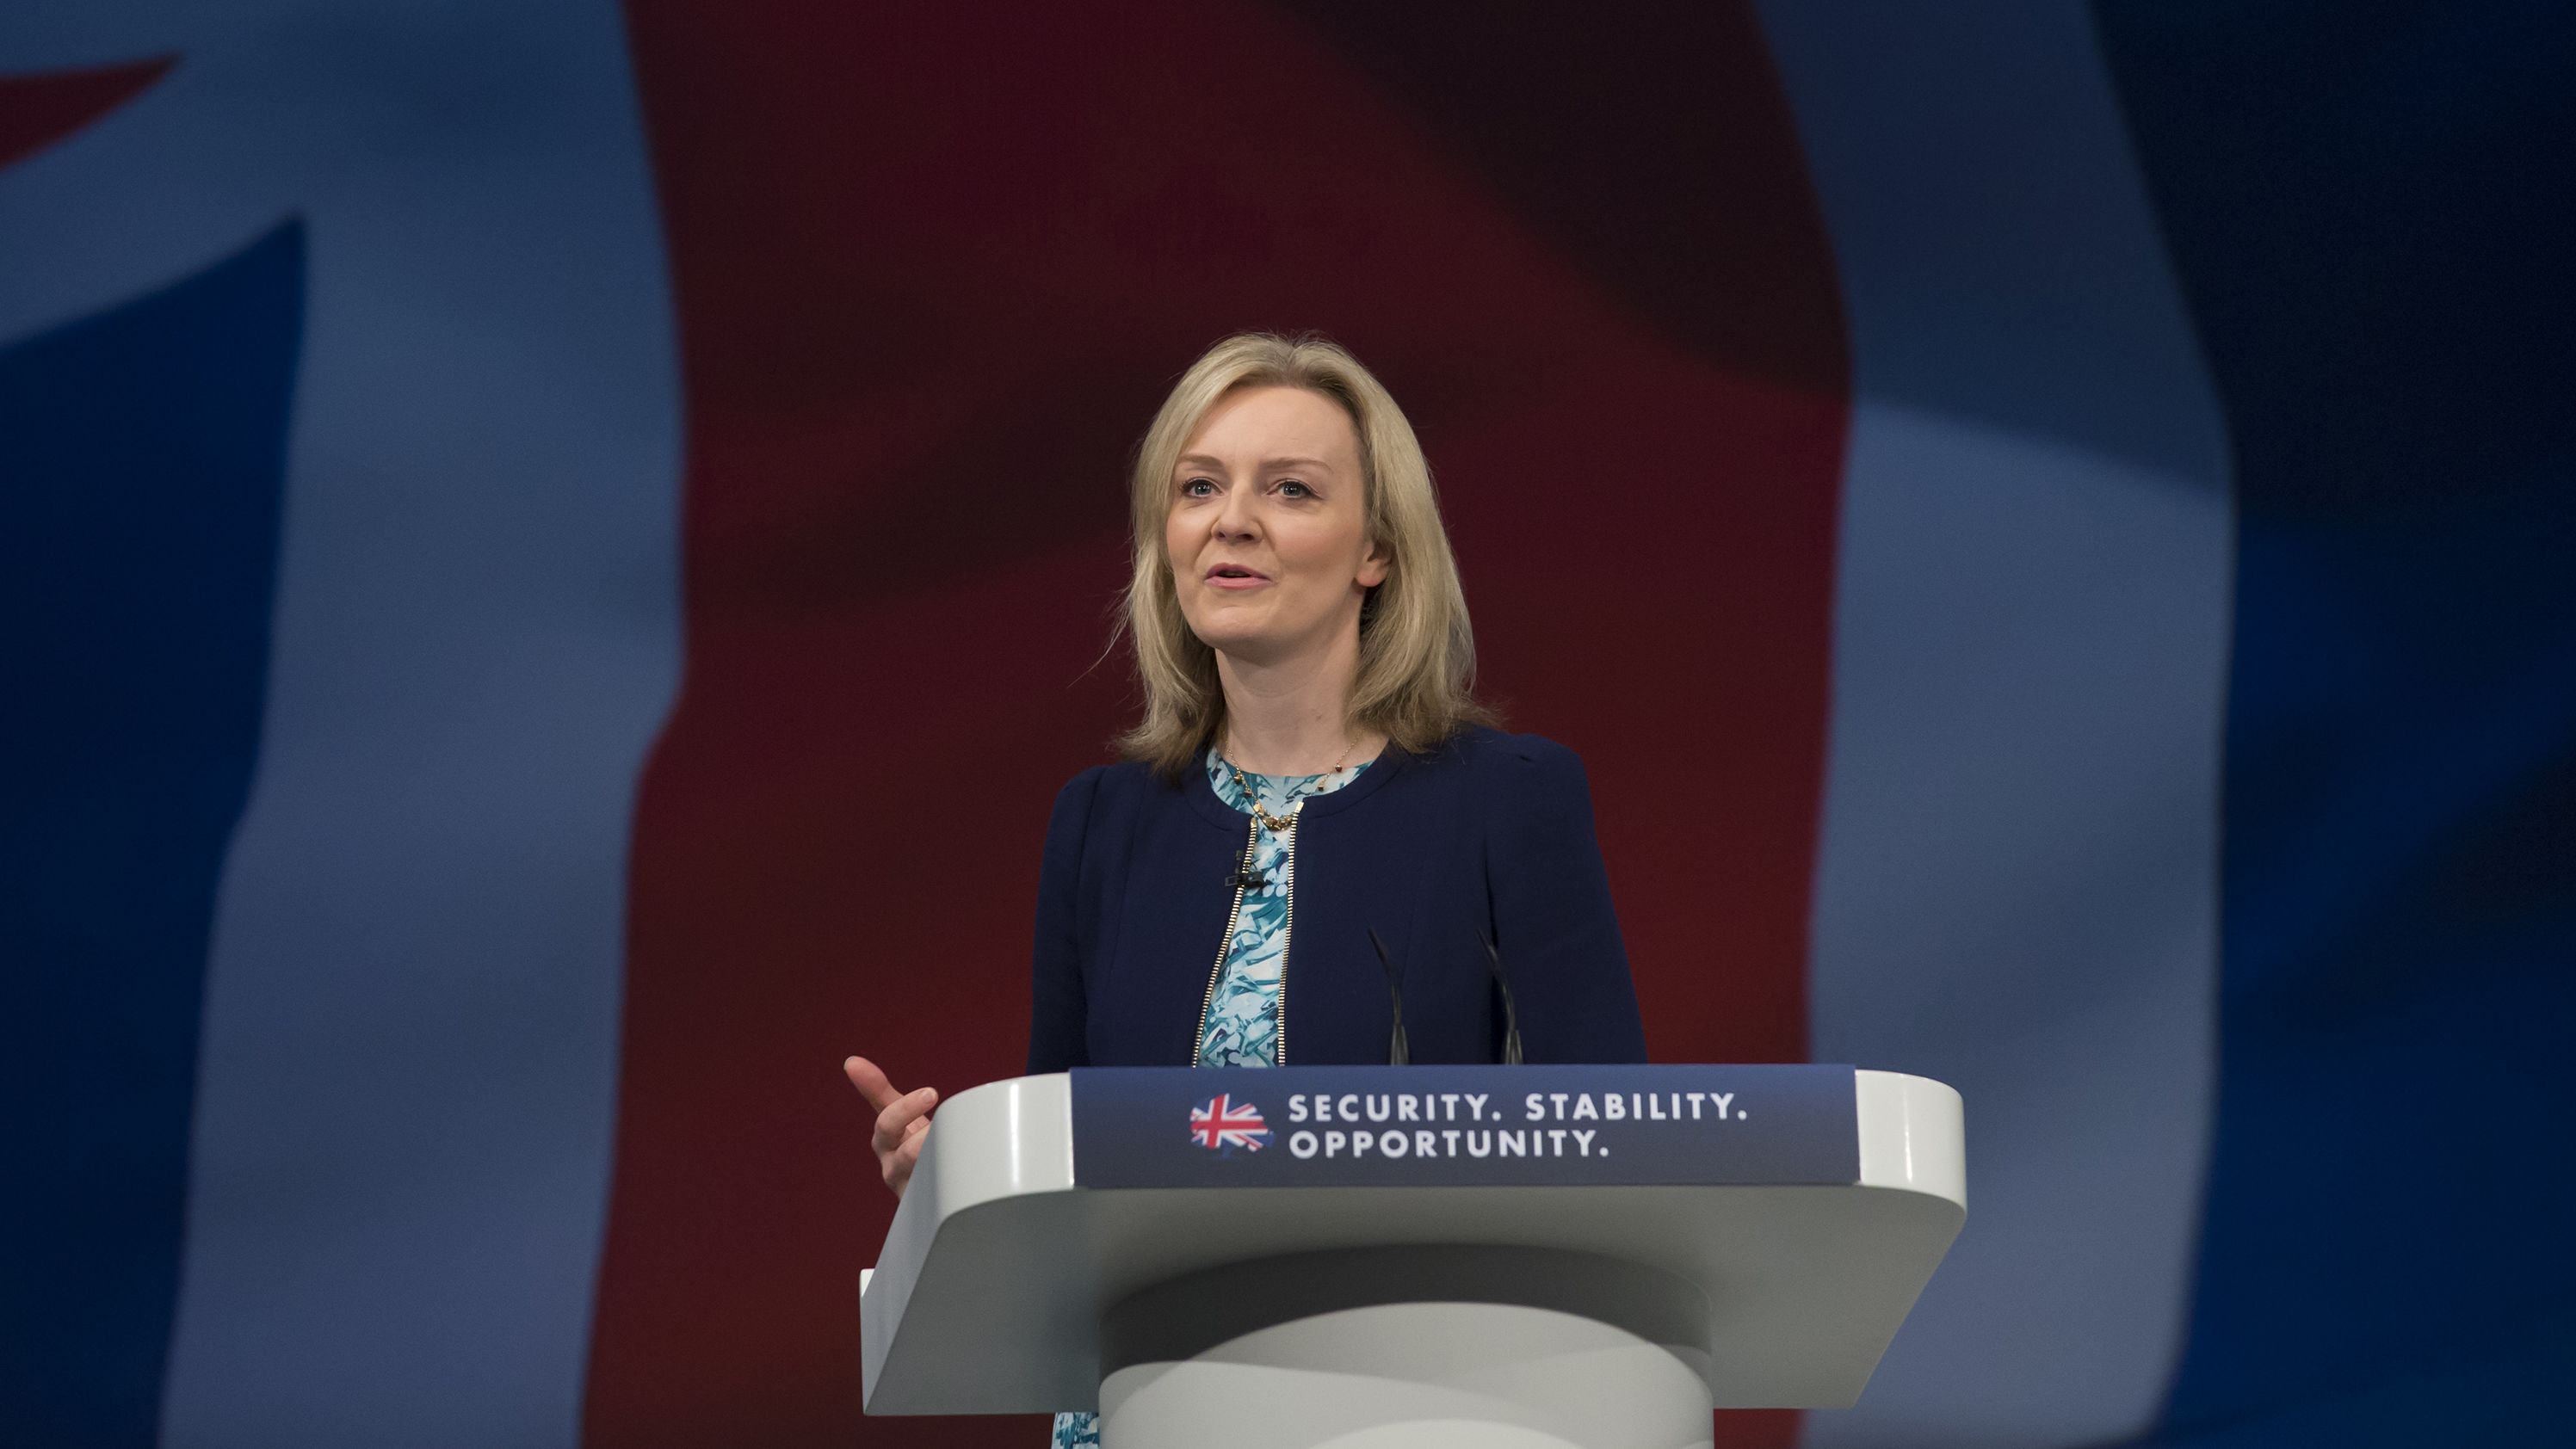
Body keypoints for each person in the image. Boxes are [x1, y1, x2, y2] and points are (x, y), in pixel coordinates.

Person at [842, 332, 1646, 1446]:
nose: (1232, 519)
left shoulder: (1509, 798)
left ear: (1375, 550)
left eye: (1290, 490)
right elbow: (1071, 1182)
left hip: (1424, 1397)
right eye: (1199, 487)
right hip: (1151, 1403)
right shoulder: (1100, 823)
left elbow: (1616, 1154)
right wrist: (955, 1187)